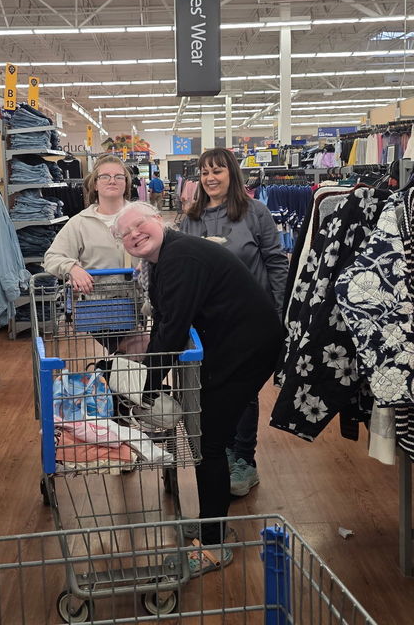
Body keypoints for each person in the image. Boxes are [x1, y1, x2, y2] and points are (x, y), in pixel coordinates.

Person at [113, 201, 283, 574]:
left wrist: (147, 390)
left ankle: (213, 544)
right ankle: (211, 523)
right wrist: (149, 381)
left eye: (139, 224)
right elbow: (165, 321)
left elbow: (173, 329)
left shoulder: (181, 258)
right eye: (125, 233)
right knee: (206, 435)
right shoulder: (165, 258)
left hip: (247, 349)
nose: (134, 234)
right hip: (232, 346)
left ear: (159, 219)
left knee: (208, 440)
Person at [179, 147, 288, 498]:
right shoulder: (191, 218)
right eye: (204, 172)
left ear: (232, 175)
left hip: (249, 322)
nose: (210, 178)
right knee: (212, 388)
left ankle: (244, 460)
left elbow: (276, 263)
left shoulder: (256, 212)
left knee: (243, 392)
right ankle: (223, 450)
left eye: (218, 171)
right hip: (207, 322)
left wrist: (279, 311)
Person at [44, 155, 131, 293]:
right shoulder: (80, 223)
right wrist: (72, 269)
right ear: (95, 184)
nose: (112, 181)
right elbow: (52, 258)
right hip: (96, 305)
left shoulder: (142, 216)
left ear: (126, 183)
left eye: (119, 176)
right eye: (105, 176)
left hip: (142, 305)